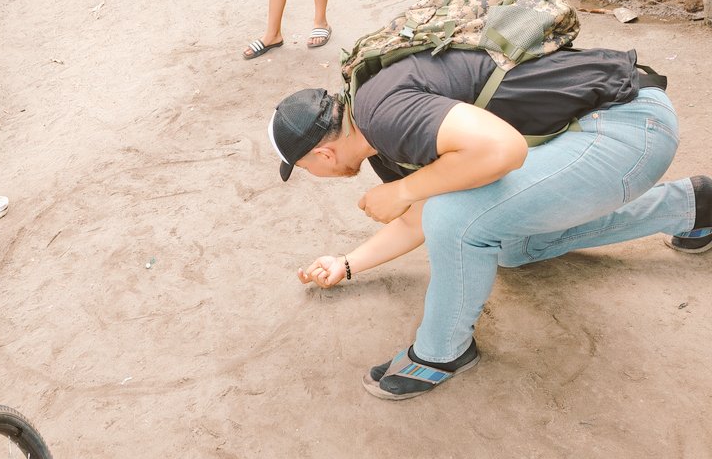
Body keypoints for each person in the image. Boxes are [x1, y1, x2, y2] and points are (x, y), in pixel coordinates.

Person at [267, 46, 711, 400]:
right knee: (509, 245)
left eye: (305, 168)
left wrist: (401, 191)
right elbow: (418, 220)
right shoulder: (378, 131)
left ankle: (442, 352)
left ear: (323, 154)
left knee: (458, 218)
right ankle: (693, 205)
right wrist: (346, 264)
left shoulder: (383, 114)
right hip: (593, 128)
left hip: (627, 126)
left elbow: (501, 152)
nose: (314, 174)